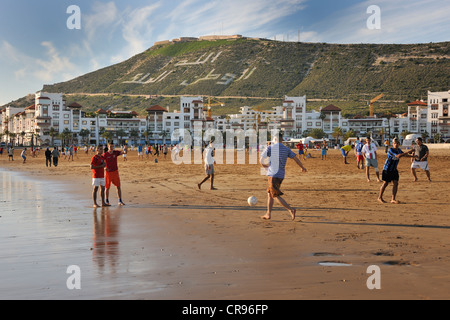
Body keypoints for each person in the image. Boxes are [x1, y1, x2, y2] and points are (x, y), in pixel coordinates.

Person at [260, 135, 307, 221]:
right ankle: (268, 213)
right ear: (282, 139)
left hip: (273, 174)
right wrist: (302, 167)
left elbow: (261, 160)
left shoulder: (270, 147)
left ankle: (290, 209)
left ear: (275, 139)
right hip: (281, 175)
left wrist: (266, 167)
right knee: (270, 194)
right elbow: (295, 159)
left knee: (275, 195)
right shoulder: (286, 149)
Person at [378, 138, 414, 204]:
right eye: (395, 143)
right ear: (392, 144)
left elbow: (404, 155)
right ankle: (380, 197)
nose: (396, 144)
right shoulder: (390, 150)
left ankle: (393, 199)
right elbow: (398, 156)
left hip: (394, 169)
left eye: (397, 143)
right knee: (385, 183)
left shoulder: (399, 150)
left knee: (396, 183)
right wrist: (408, 152)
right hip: (387, 169)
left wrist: (413, 156)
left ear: (399, 144)